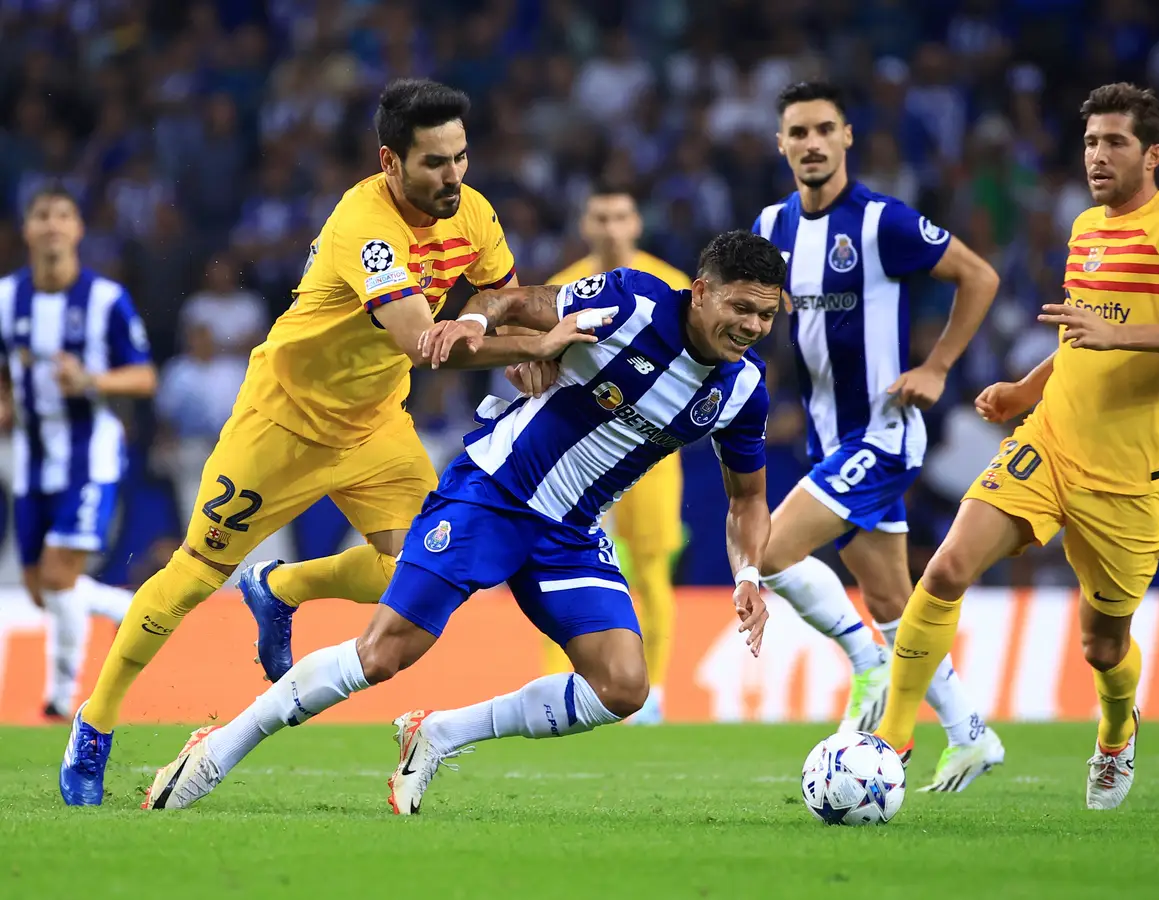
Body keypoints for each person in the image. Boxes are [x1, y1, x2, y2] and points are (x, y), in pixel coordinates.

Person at [59, 79, 583, 806]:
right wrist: (538, 342)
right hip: (283, 424)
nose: (453, 177)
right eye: (434, 163)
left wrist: (504, 329)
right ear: (390, 162)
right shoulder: (363, 227)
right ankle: (96, 719)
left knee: (415, 569)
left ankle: (280, 588)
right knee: (191, 577)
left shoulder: (476, 212)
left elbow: (499, 294)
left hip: (373, 424)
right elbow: (421, 342)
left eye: (461, 158)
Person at [142, 230, 782, 813]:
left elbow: (747, 499)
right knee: (384, 654)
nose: (752, 326)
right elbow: (518, 300)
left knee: (621, 687)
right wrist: (482, 321)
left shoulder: (743, 391)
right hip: (494, 494)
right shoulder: (632, 305)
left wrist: (748, 571)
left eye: (766, 315)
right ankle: (216, 749)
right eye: (741, 308)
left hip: (571, 533)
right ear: (701, 292)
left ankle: (439, 734)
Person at [877, 83, 1159, 810]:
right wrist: (1028, 387)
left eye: (1114, 142)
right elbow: (1082, 334)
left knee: (1102, 647)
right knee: (949, 566)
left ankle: (1116, 731)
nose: (1097, 156)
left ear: (1153, 153)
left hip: (1129, 475)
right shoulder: (1086, 227)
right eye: (1090, 142)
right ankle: (891, 738)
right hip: (1050, 442)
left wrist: (1124, 335)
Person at [752, 81, 1003, 791]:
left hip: (884, 435)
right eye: (797, 132)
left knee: (767, 549)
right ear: (781, 144)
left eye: (823, 129)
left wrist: (937, 366)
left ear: (847, 137)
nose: (810, 143)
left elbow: (977, 277)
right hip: (828, 441)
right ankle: (970, 734)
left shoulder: (882, 222)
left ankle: (864, 666)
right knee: (894, 602)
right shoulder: (772, 227)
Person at [0, 187, 153, 721]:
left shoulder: (106, 300)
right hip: (31, 462)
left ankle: (63, 700)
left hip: (90, 456)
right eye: (41, 216)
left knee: (61, 577)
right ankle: (122, 606)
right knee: (44, 590)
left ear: (78, 229)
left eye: (62, 216)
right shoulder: (5, 298)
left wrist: (90, 380)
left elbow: (143, 375)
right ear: (27, 230)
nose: (52, 226)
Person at [540, 184, 691, 725]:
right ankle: (563, 686)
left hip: (648, 447)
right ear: (585, 224)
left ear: (636, 224)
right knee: (555, 563)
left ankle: (653, 694)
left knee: (651, 570)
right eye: (600, 216)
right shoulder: (563, 286)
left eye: (620, 216)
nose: (610, 227)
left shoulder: (672, 284)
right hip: (576, 449)